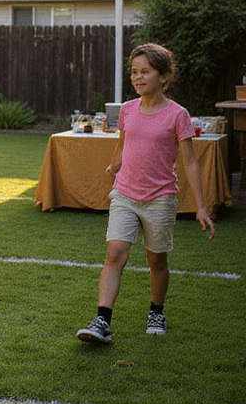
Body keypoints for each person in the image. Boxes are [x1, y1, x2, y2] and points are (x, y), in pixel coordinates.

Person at [76, 43, 216, 346]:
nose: (138, 78)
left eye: (145, 72)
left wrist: (202, 207)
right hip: (125, 193)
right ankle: (102, 320)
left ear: (164, 76)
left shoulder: (178, 115)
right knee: (115, 253)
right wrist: (114, 166)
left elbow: (190, 161)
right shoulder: (127, 110)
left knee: (156, 261)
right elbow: (124, 144)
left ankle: (156, 312)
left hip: (160, 198)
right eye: (134, 72)